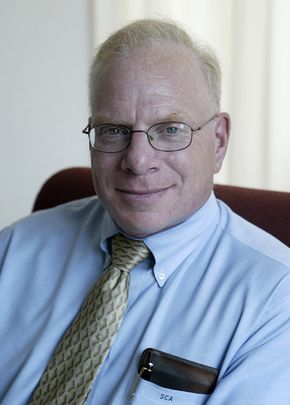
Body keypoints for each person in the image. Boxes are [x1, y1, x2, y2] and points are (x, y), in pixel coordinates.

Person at [0, 19, 290, 405]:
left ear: (218, 141)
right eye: (114, 130)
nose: (137, 161)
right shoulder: (16, 247)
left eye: (170, 129)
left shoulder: (275, 301)